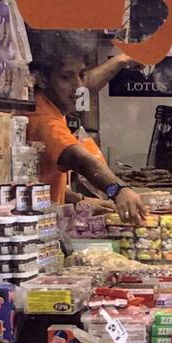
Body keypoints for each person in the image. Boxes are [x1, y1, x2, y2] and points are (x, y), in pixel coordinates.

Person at [28, 46, 147, 225]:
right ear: (43, 79)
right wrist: (118, 190)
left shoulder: (51, 107)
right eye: (66, 77)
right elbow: (80, 160)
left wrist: (79, 200)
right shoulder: (42, 118)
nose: (78, 86)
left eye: (81, 75)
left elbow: (43, 184)